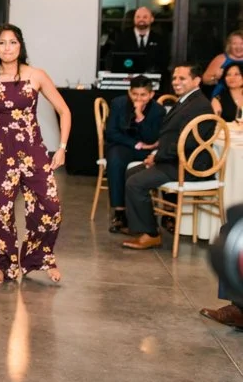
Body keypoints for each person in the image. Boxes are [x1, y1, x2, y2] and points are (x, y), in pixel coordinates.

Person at [0, 24, 70, 284]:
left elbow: (64, 110)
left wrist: (62, 148)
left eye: (12, 42)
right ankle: (3, 265)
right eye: (2, 43)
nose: (7, 48)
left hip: (33, 153)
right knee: (0, 213)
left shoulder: (36, 75)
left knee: (50, 207)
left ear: (20, 45)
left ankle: (39, 258)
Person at [120, 64, 217, 250]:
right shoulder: (186, 101)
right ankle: (142, 227)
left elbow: (187, 143)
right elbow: (172, 138)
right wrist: (157, 154)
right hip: (174, 159)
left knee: (135, 182)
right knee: (131, 172)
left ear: (196, 81)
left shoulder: (199, 105)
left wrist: (156, 157)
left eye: (182, 78)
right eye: (174, 78)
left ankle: (151, 234)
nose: (176, 82)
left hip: (187, 166)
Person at [103, 76, 166, 233]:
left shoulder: (158, 110)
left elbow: (152, 138)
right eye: (134, 94)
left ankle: (158, 212)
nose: (138, 98)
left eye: (143, 95)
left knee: (163, 159)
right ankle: (119, 212)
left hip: (147, 149)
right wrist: (135, 144)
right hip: (123, 145)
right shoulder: (118, 104)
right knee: (115, 160)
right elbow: (111, 133)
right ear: (129, 92)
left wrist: (140, 116)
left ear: (151, 95)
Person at [111, 7, 170, 75]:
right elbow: (112, 58)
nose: (141, 19)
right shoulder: (122, 38)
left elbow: (164, 62)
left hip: (153, 79)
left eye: (145, 17)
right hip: (127, 78)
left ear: (152, 19)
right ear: (134, 19)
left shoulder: (160, 40)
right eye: (138, 17)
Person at [205, 30, 243, 97]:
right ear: (229, 45)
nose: (238, 47)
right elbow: (205, 80)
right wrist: (215, 78)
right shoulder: (221, 59)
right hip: (222, 98)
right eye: (234, 43)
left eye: (242, 43)